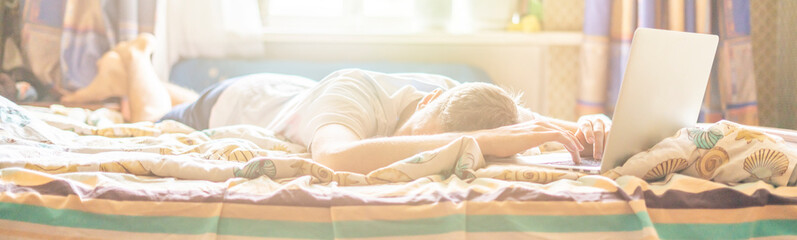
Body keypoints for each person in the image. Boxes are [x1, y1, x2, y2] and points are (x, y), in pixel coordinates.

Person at [62, 34, 610, 174]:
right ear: (433, 100)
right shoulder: (355, 93)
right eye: (429, 128)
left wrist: (590, 124)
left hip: (289, 98)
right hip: (230, 101)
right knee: (148, 115)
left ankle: (124, 71)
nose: (420, 140)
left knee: (288, 103)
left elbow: (526, 122)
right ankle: (136, 57)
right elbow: (332, 160)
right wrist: (477, 143)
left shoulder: (454, 94)